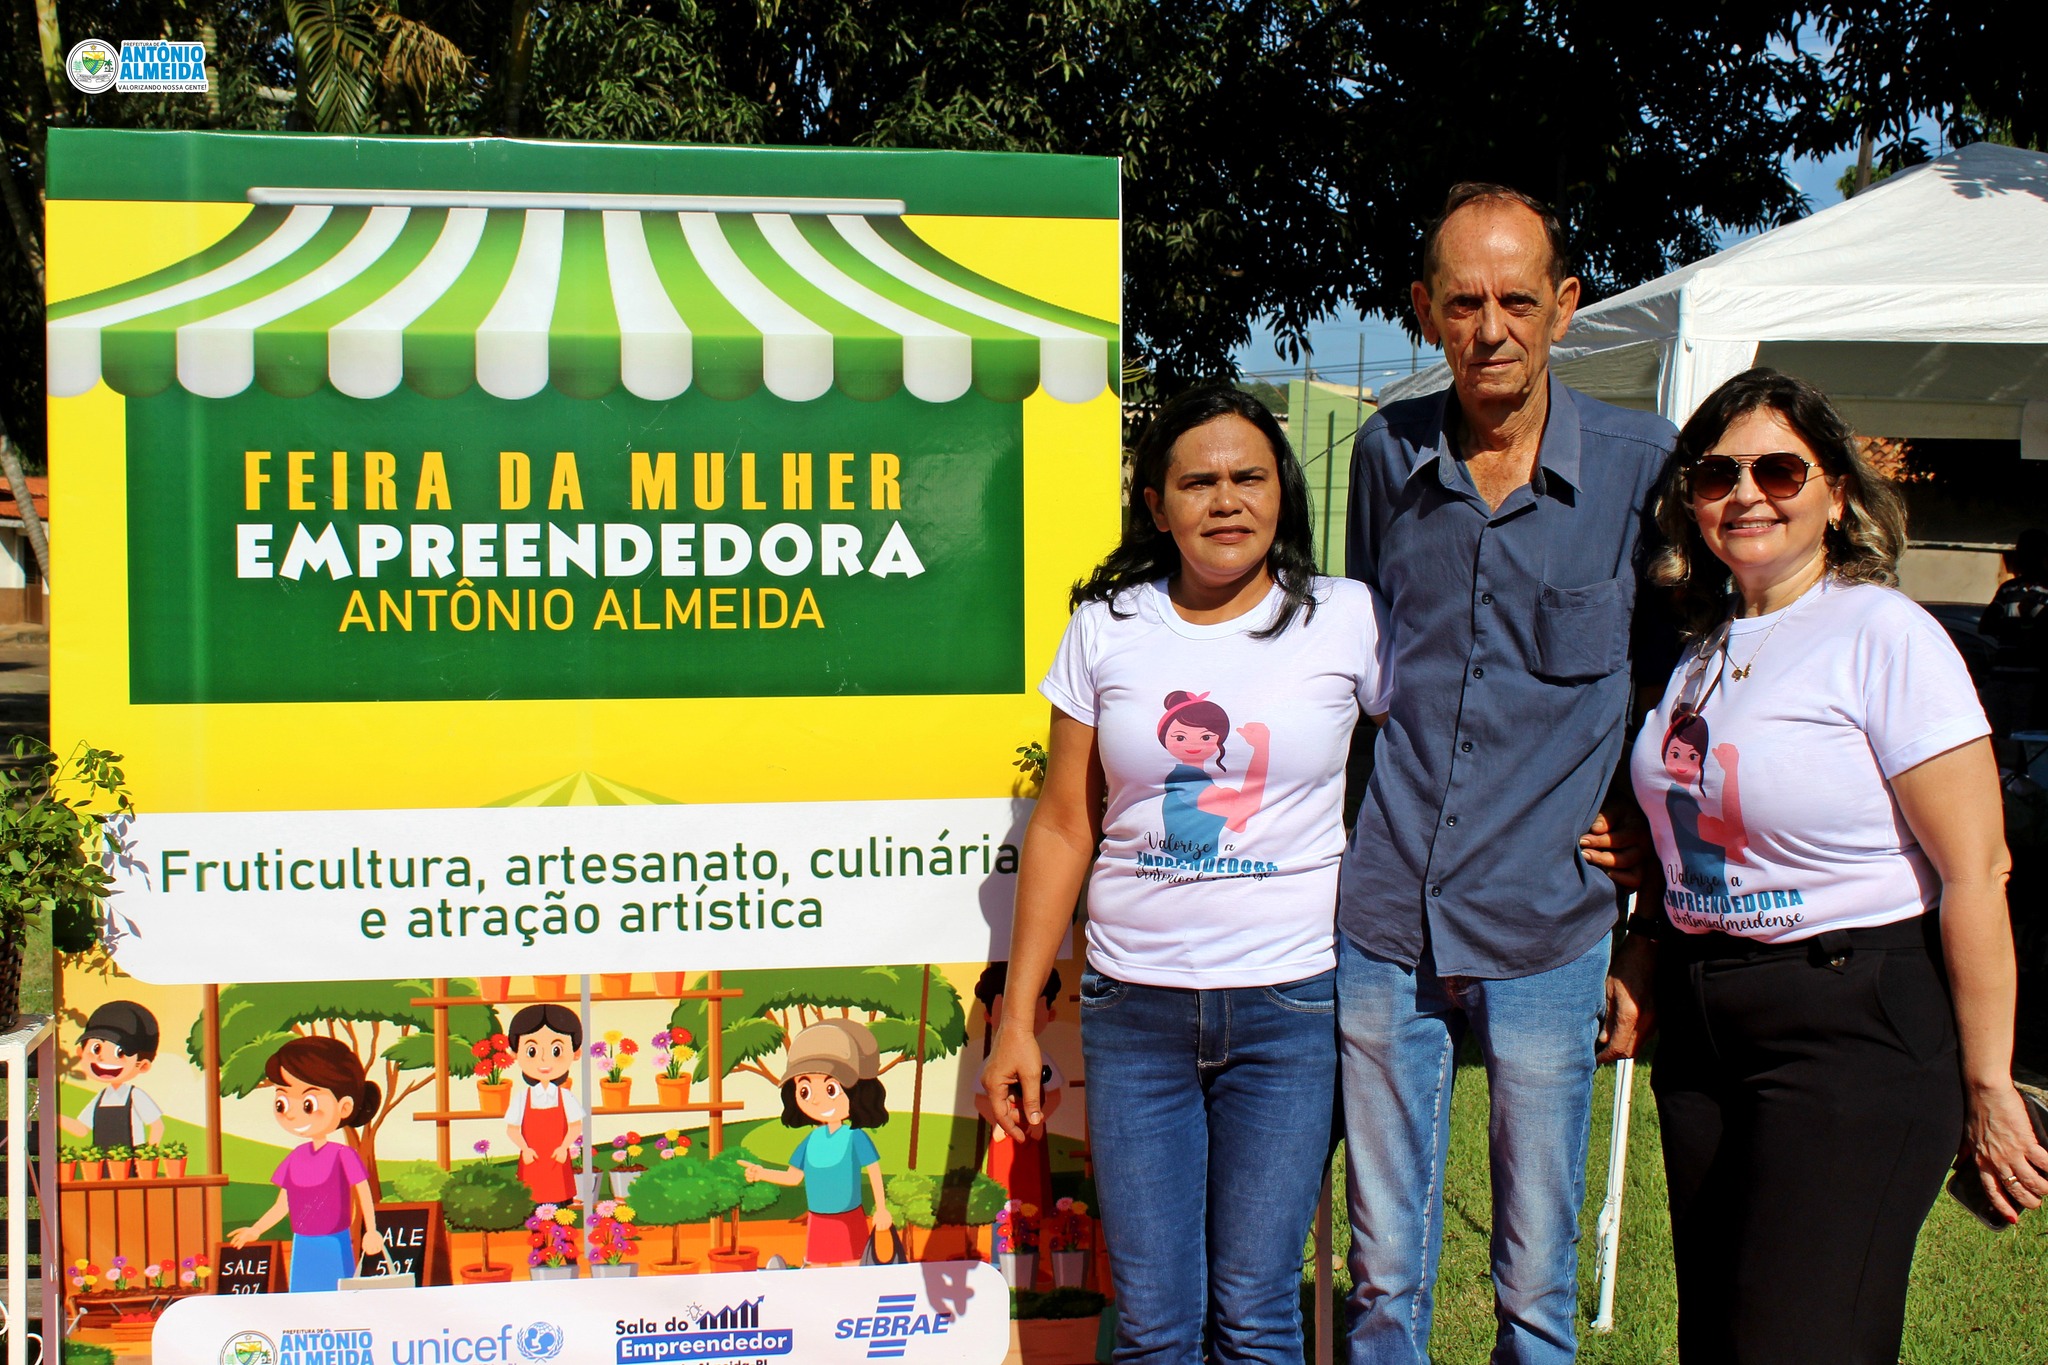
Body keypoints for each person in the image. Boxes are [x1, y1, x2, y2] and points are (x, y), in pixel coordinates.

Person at [1631, 366, 2048, 1361]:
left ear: (1835, 494)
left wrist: (1989, 1083)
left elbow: (1977, 870)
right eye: (1716, 474)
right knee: (1719, 1342)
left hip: (1848, 1024)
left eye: (1777, 470)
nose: (1745, 493)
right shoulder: (1700, 650)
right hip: (1704, 1025)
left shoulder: (1883, 634)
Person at [982, 384, 1392, 1363]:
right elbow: (1065, 823)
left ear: (1282, 492)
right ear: (1156, 505)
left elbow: (1433, 760)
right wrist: (1014, 1019)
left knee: (1255, 1313)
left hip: (1289, 1009)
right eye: (1197, 482)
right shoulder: (1106, 624)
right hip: (1136, 1016)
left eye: (1249, 477)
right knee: (1155, 1323)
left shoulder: (1343, 617)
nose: (1226, 500)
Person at [1335, 182, 1671, 1364]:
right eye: (1463, 302)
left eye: (1516, 301)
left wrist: (1644, 837)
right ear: (1423, 310)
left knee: (1534, 1277)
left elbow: (1674, 687)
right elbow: (1359, 666)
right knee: (1381, 1271)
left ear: (1563, 306)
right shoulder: (1383, 454)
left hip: (1548, 916)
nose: (1490, 330)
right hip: (1387, 911)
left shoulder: (1640, 468)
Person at [228, 1036, 386, 1292]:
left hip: (334, 1243)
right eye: (282, 1103)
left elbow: (363, 1194)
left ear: (345, 1107)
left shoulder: (343, 1155)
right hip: (302, 1244)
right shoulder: (295, 1157)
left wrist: (372, 1231)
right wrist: (255, 1230)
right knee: (302, 1300)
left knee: (336, 1300)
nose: (291, 1114)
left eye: (308, 1104)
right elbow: (283, 1205)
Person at [740, 1019, 893, 1267]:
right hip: (818, 1220)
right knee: (816, 1271)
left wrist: (882, 1209)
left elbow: (874, 1171)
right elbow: (793, 1177)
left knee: (853, 1270)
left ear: (858, 1092)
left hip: (849, 1219)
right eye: (805, 1091)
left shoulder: (855, 1137)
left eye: (831, 1089)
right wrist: (761, 1173)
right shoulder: (811, 1141)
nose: (817, 1100)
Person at [971, 963, 1064, 1214]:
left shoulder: (1043, 1060)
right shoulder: (992, 1061)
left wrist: (1039, 1121)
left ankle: (1036, 1220)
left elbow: (1054, 1095)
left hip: (1033, 1132)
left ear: (1050, 1014)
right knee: (1002, 1183)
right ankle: (1003, 1223)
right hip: (1004, 1131)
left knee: (1034, 1181)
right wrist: (998, 1122)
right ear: (988, 1016)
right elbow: (980, 1099)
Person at [502, 1003, 587, 1206]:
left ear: (576, 1053)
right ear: (515, 1053)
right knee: (532, 1205)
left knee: (560, 1209)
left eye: (556, 1050)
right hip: (532, 1161)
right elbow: (512, 1129)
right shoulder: (522, 1098)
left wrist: (564, 1147)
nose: (543, 1059)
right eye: (531, 1051)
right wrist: (525, 1149)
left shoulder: (565, 1097)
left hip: (558, 1160)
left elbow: (576, 1126)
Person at [61, 1000, 166, 1149]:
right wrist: (55, 1117)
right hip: (101, 1160)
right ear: (81, 1053)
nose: (103, 1058)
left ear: (143, 1065)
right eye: (96, 1049)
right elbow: (82, 1129)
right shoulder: (101, 1097)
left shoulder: (135, 1095)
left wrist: (147, 1156)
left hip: (130, 1159)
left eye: (120, 1052)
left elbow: (157, 1126)